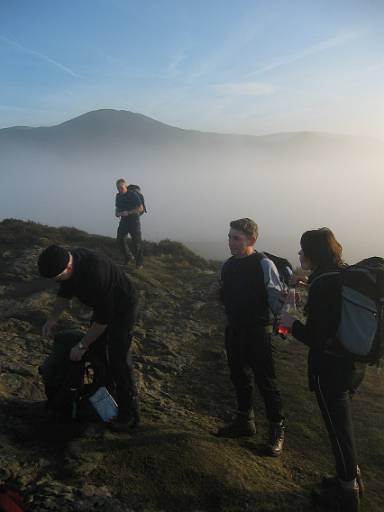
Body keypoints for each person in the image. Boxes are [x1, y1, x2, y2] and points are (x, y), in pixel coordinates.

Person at [279, 228, 365, 512]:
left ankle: (347, 493)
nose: (300, 254)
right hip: (354, 364)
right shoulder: (341, 274)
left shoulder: (323, 284)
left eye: (303, 250)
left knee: (337, 429)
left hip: (330, 369)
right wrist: (309, 284)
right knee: (343, 426)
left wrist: (291, 323)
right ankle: (348, 476)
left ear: (314, 253)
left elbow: (316, 336)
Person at [38, 244, 140, 431]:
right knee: (99, 353)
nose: (56, 281)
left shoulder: (96, 274)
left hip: (123, 307)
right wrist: (52, 319)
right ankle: (107, 398)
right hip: (103, 307)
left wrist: (82, 345)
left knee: (118, 359)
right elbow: (64, 292)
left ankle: (129, 414)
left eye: (57, 277)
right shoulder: (67, 263)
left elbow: (104, 319)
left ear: (68, 267)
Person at [217, 218, 286, 456]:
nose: (231, 242)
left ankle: (277, 431)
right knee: (238, 375)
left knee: (266, 381)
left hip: (258, 331)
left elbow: (276, 302)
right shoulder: (227, 266)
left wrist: (286, 317)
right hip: (234, 329)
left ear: (252, 240)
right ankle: (245, 421)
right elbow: (225, 295)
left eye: (236, 238)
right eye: (229, 237)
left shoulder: (264, 264)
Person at [115, 178, 144, 269]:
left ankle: (139, 263)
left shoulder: (133, 194)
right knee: (120, 240)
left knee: (136, 243)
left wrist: (128, 212)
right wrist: (118, 213)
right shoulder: (118, 196)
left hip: (134, 220)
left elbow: (140, 208)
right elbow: (117, 209)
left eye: (121, 187)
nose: (120, 190)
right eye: (118, 188)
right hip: (124, 220)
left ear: (126, 186)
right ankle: (129, 257)